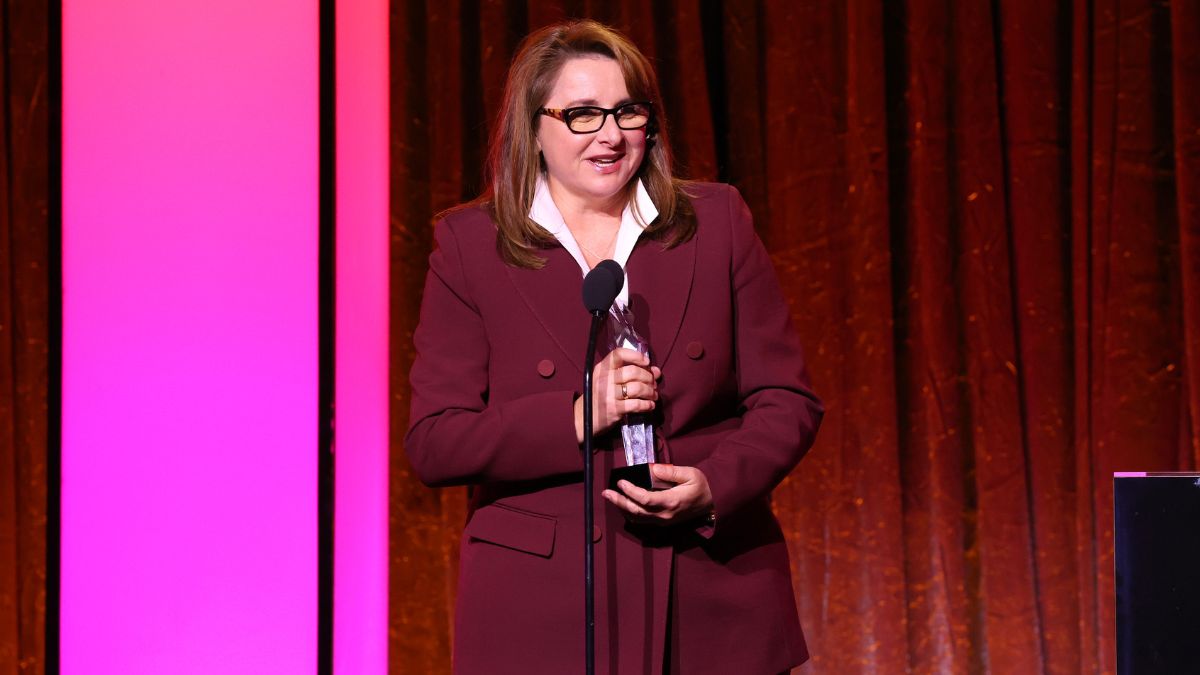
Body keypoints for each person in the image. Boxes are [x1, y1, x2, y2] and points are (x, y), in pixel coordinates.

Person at [405, 19, 823, 675]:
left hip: (711, 603)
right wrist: (578, 413)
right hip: (542, 614)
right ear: (534, 129)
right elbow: (435, 440)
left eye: (627, 110)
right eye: (581, 114)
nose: (609, 133)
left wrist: (714, 484)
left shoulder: (717, 223)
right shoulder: (468, 247)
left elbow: (787, 399)